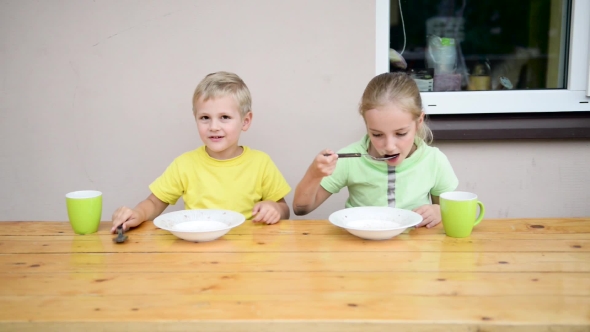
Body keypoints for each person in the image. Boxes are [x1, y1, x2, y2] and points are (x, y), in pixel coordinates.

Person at [111, 71, 291, 233]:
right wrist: (138, 213)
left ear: (245, 121)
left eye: (225, 117)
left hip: (249, 250)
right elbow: (153, 203)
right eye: (205, 118)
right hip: (197, 250)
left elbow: (284, 209)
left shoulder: (261, 163)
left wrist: (274, 209)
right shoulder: (185, 164)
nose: (214, 127)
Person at [292, 72, 458, 228]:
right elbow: (301, 209)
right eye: (377, 134)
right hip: (361, 249)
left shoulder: (434, 160)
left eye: (401, 133)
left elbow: (451, 209)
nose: (389, 146)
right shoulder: (352, 159)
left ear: (419, 121)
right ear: (367, 125)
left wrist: (440, 211)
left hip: (415, 251)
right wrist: (314, 174)